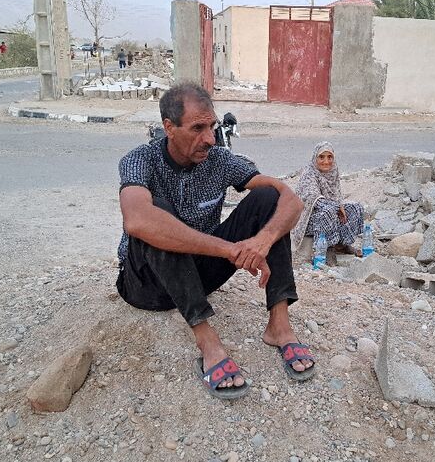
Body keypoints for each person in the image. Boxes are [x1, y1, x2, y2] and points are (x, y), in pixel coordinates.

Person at [116, 82, 315, 399]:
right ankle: (207, 341)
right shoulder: (141, 161)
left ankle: (279, 326)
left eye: (212, 126)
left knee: (268, 198)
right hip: (146, 286)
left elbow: (290, 199)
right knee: (155, 216)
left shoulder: (218, 160)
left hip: (196, 276)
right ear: (169, 127)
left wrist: (261, 241)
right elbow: (137, 220)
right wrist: (230, 249)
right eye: (197, 128)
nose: (209, 138)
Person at [291, 142, 365, 257]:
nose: (326, 161)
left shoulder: (333, 171)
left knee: (355, 207)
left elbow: (337, 195)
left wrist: (339, 205)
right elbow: (313, 198)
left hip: (331, 211)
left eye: (329, 157)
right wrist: (337, 207)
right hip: (309, 219)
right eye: (321, 157)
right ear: (315, 158)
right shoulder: (309, 173)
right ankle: (326, 248)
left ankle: (342, 245)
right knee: (328, 211)